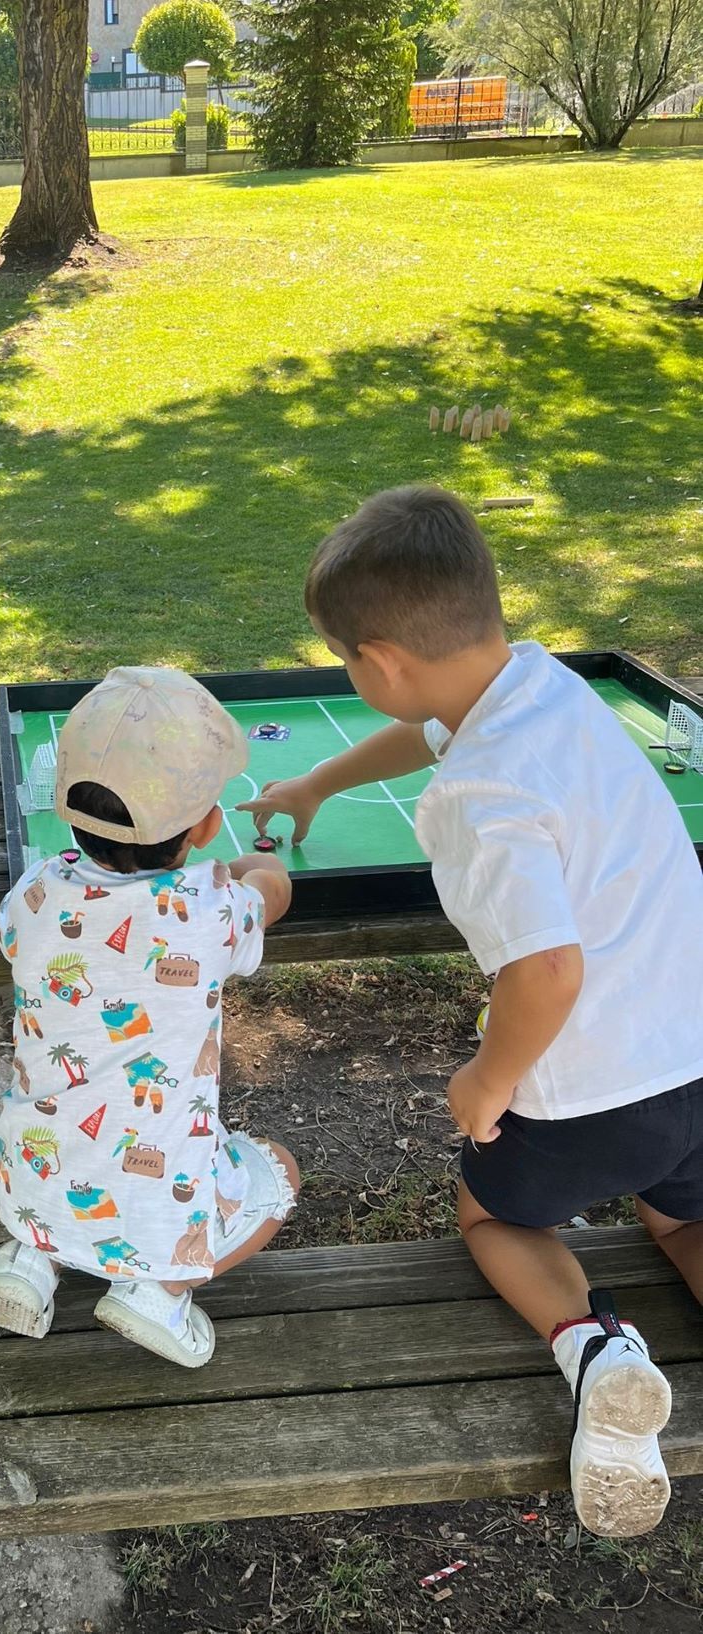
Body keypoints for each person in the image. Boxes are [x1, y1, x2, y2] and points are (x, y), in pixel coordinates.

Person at [238, 485, 703, 1537]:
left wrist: (486, 1082)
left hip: (594, 1087)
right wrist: (316, 780)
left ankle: (597, 1351)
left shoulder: (477, 797)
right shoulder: (539, 681)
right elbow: (434, 724)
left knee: (493, 1212)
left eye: (346, 661)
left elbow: (544, 969)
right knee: (681, 1211)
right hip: (694, 1049)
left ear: (379, 661)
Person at [0, 666, 298, 1368]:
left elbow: (11, 934)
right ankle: (161, 1290)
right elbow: (268, 898)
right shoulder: (211, 909)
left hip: (28, 1173)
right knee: (281, 1174)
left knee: (59, 1186)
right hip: (162, 1203)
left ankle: (25, 1265)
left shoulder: (33, 892)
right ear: (208, 824)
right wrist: (260, 871)